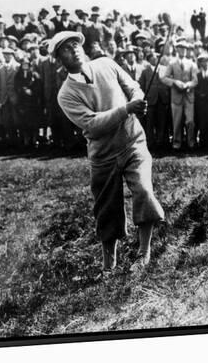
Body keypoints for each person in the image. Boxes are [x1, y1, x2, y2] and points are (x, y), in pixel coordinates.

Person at [52, 31, 165, 272]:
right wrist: (126, 108)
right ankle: (109, 264)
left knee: (144, 191)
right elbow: (92, 123)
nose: (74, 49)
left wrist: (137, 98)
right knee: (107, 209)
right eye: (66, 49)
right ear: (59, 59)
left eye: (75, 44)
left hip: (133, 140)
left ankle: (144, 253)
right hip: (103, 155)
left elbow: (133, 86)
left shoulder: (106, 63)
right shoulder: (66, 94)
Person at [163, 41, 199, 150]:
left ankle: (191, 142)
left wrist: (188, 84)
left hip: (188, 96)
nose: (183, 50)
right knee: (177, 121)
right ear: (177, 49)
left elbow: (195, 80)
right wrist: (175, 82)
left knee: (190, 121)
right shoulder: (172, 63)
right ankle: (176, 143)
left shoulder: (192, 63)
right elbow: (164, 78)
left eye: (185, 48)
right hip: (176, 96)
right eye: (180, 48)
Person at [139, 51, 170, 150]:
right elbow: (142, 86)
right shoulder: (145, 72)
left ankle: (161, 142)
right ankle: (150, 143)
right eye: (152, 57)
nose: (155, 59)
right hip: (151, 100)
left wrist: (167, 96)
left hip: (162, 99)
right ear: (148, 60)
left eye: (156, 57)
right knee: (150, 123)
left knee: (162, 122)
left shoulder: (164, 69)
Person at [14, 58, 43, 147]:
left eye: (27, 64)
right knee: (24, 122)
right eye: (23, 64)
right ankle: (26, 140)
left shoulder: (35, 74)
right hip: (23, 101)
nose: (25, 66)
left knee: (34, 122)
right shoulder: (18, 75)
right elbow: (16, 85)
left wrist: (32, 91)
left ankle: (35, 139)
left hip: (33, 102)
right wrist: (23, 90)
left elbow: (39, 86)